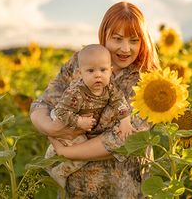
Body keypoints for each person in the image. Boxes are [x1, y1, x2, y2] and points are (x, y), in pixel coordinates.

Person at [30, 1, 160, 198]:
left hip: (122, 187)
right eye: (117, 39)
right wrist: (50, 127)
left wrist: (66, 152)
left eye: (134, 40)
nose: (126, 49)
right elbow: (44, 102)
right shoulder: (82, 60)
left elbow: (123, 140)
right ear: (104, 34)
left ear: (143, 40)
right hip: (75, 187)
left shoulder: (148, 81)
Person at [45, 44, 133, 188]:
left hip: (79, 125)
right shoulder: (75, 92)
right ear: (80, 73)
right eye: (91, 71)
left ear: (110, 71)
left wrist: (125, 120)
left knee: (69, 147)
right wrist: (78, 121)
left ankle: (51, 163)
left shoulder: (109, 87)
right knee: (79, 153)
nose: (98, 75)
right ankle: (59, 172)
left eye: (103, 70)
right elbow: (61, 111)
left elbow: (119, 101)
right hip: (64, 120)